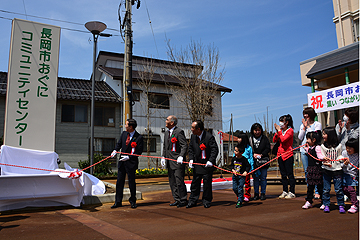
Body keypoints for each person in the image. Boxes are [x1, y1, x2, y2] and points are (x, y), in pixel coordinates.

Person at [110, 119, 144, 209]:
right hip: (122, 162)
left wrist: (129, 157)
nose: (125, 126)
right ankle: (118, 201)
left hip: (131, 163)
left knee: (131, 182)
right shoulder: (124, 134)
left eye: (126, 125)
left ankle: (133, 200)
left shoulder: (139, 137)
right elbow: (119, 144)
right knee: (119, 182)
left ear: (131, 127)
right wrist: (115, 150)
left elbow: (139, 152)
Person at [187, 120, 219, 208]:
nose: (191, 129)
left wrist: (211, 160)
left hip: (207, 165)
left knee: (207, 183)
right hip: (197, 164)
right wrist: (191, 159)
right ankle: (193, 200)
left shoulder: (209, 137)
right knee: (195, 183)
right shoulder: (193, 137)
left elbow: (214, 149)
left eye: (193, 128)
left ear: (199, 129)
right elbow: (191, 149)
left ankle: (207, 200)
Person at [161, 115, 188, 208]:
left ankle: (183, 199)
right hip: (169, 160)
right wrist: (163, 157)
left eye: (167, 120)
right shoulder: (166, 133)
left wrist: (181, 156)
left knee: (179, 180)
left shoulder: (179, 132)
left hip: (177, 161)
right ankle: (176, 199)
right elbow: (165, 146)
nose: (165, 121)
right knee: (172, 181)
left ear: (172, 122)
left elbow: (184, 145)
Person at [298, 107, 322, 199]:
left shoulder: (317, 124)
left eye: (307, 114)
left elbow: (314, 136)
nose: (305, 116)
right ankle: (310, 191)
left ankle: (317, 191)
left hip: (314, 151)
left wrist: (308, 127)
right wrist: (303, 127)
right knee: (307, 171)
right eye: (304, 114)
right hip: (304, 150)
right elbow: (300, 138)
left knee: (315, 170)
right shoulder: (302, 125)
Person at [320, 127, 345, 213]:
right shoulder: (322, 146)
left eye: (324, 134)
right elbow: (322, 157)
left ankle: (341, 204)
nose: (323, 136)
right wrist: (324, 162)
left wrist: (342, 159)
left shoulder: (339, 146)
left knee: (338, 189)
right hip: (326, 170)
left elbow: (340, 155)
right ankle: (326, 204)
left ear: (330, 135)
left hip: (337, 169)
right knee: (326, 189)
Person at [274, 114, 295, 199]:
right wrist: (277, 132)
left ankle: (292, 191)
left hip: (288, 154)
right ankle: (285, 190)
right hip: (280, 154)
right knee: (283, 174)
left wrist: (279, 131)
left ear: (287, 122)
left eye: (282, 121)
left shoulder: (290, 131)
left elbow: (283, 139)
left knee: (290, 174)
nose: (281, 123)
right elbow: (275, 140)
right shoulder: (280, 131)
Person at [302, 131, 324, 209]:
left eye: (308, 139)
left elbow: (319, 155)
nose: (307, 140)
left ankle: (324, 201)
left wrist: (323, 158)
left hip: (317, 169)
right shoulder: (310, 148)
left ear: (314, 140)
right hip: (311, 169)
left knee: (320, 186)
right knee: (310, 186)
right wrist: (306, 148)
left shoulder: (318, 147)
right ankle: (309, 201)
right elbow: (308, 151)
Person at [249, 123, 271, 201]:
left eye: (259, 130)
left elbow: (268, 148)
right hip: (254, 162)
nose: (257, 132)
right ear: (252, 131)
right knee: (255, 178)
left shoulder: (265, 138)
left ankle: (263, 193)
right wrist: (253, 155)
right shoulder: (250, 139)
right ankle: (256, 193)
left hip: (263, 161)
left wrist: (261, 155)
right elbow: (248, 149)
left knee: (263, 178)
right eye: (255, 130)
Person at [235, 132, 254, 202]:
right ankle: (240, 196)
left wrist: (251, 168)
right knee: (238, 183)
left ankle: (247, 195)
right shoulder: (237, 147)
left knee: (247, 183)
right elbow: (235, 156)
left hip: (246, 168)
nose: (238, 139)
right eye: (238, 138)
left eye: (240, 138)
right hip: (238, 167)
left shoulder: (248, 148)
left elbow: (251, 158)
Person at [341, 138, 359, 213]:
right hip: (344, 173)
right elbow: (340, 165)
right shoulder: (344, 153)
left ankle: (354, 205)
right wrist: (344, 164)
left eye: (350, 148)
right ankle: (355, 200)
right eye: (347, 147)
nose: (348, 150)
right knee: (344, 189)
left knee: (351, 189)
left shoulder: (358, 155)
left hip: (352, 174)